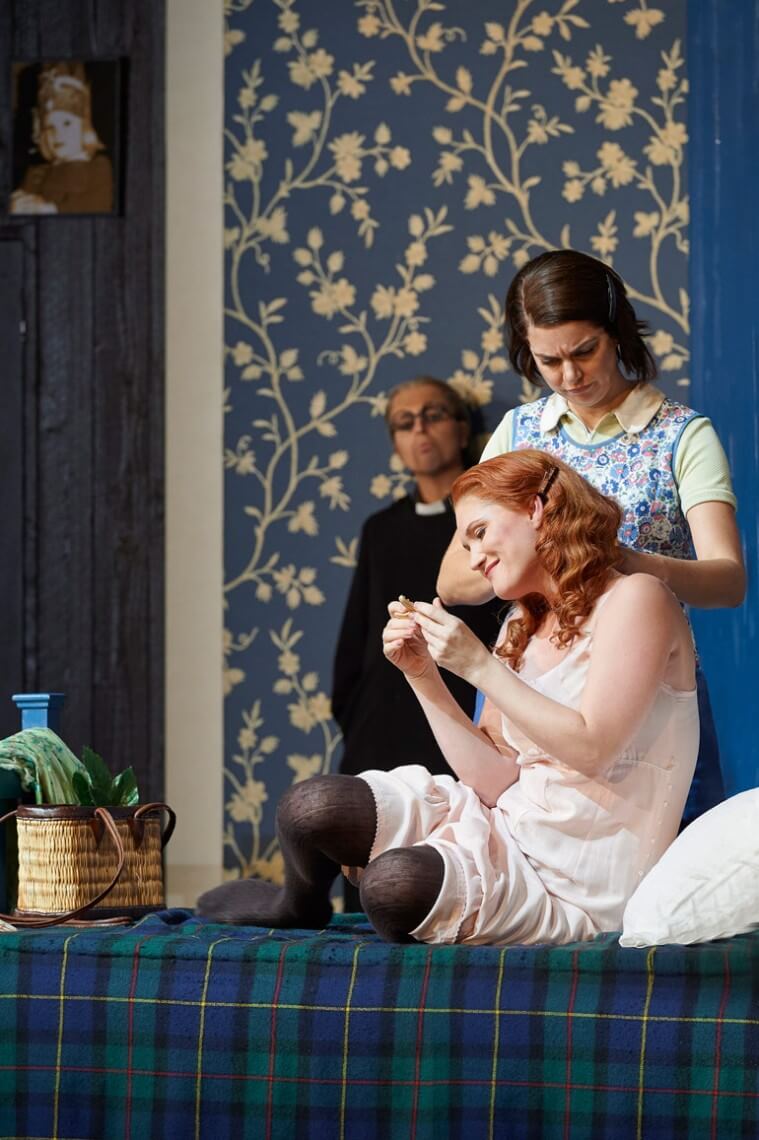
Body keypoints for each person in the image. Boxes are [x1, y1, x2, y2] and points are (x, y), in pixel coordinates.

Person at [197, 450, 699, 946]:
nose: (474, 559)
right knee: (311, 807)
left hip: (581, 884)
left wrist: (478, 665)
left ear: (535, 509)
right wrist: (422, 674)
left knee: (392, 887)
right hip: (509, 826)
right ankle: (297, 904)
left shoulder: (637, 598)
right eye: (465, 544)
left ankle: (421, 893)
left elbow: (594, 747)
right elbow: (494, 783)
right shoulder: (521, 626)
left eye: (479, 533)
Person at [437, 249, 745, 826]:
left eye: (585, 351)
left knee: (672, 865)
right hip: (528, 681)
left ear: (616, 331)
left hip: (645, 683)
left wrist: (628, 562)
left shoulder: (680, 435)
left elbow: (729, 582)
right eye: (548, 360)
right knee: (514, 847)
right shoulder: (519, 433)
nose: (570, 376)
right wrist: (517, 556)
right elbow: (453, 582)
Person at [331, 376, 502, 909]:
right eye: (404, 423)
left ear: (462, 429)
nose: (420, 430)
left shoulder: (489, 526)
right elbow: (357, 635)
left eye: (433, 415)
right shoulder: (380, 529)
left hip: (464, 713)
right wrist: (356, 716)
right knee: (368, 866)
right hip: (381, 723)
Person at [10, 62, 113, 215]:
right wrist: (15, 205)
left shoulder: (98, 167)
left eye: (67, 123)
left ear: (84, 127)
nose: (57, 134)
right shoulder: (36, 173)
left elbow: (98, 204)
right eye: (50, 127)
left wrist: (48, 209)